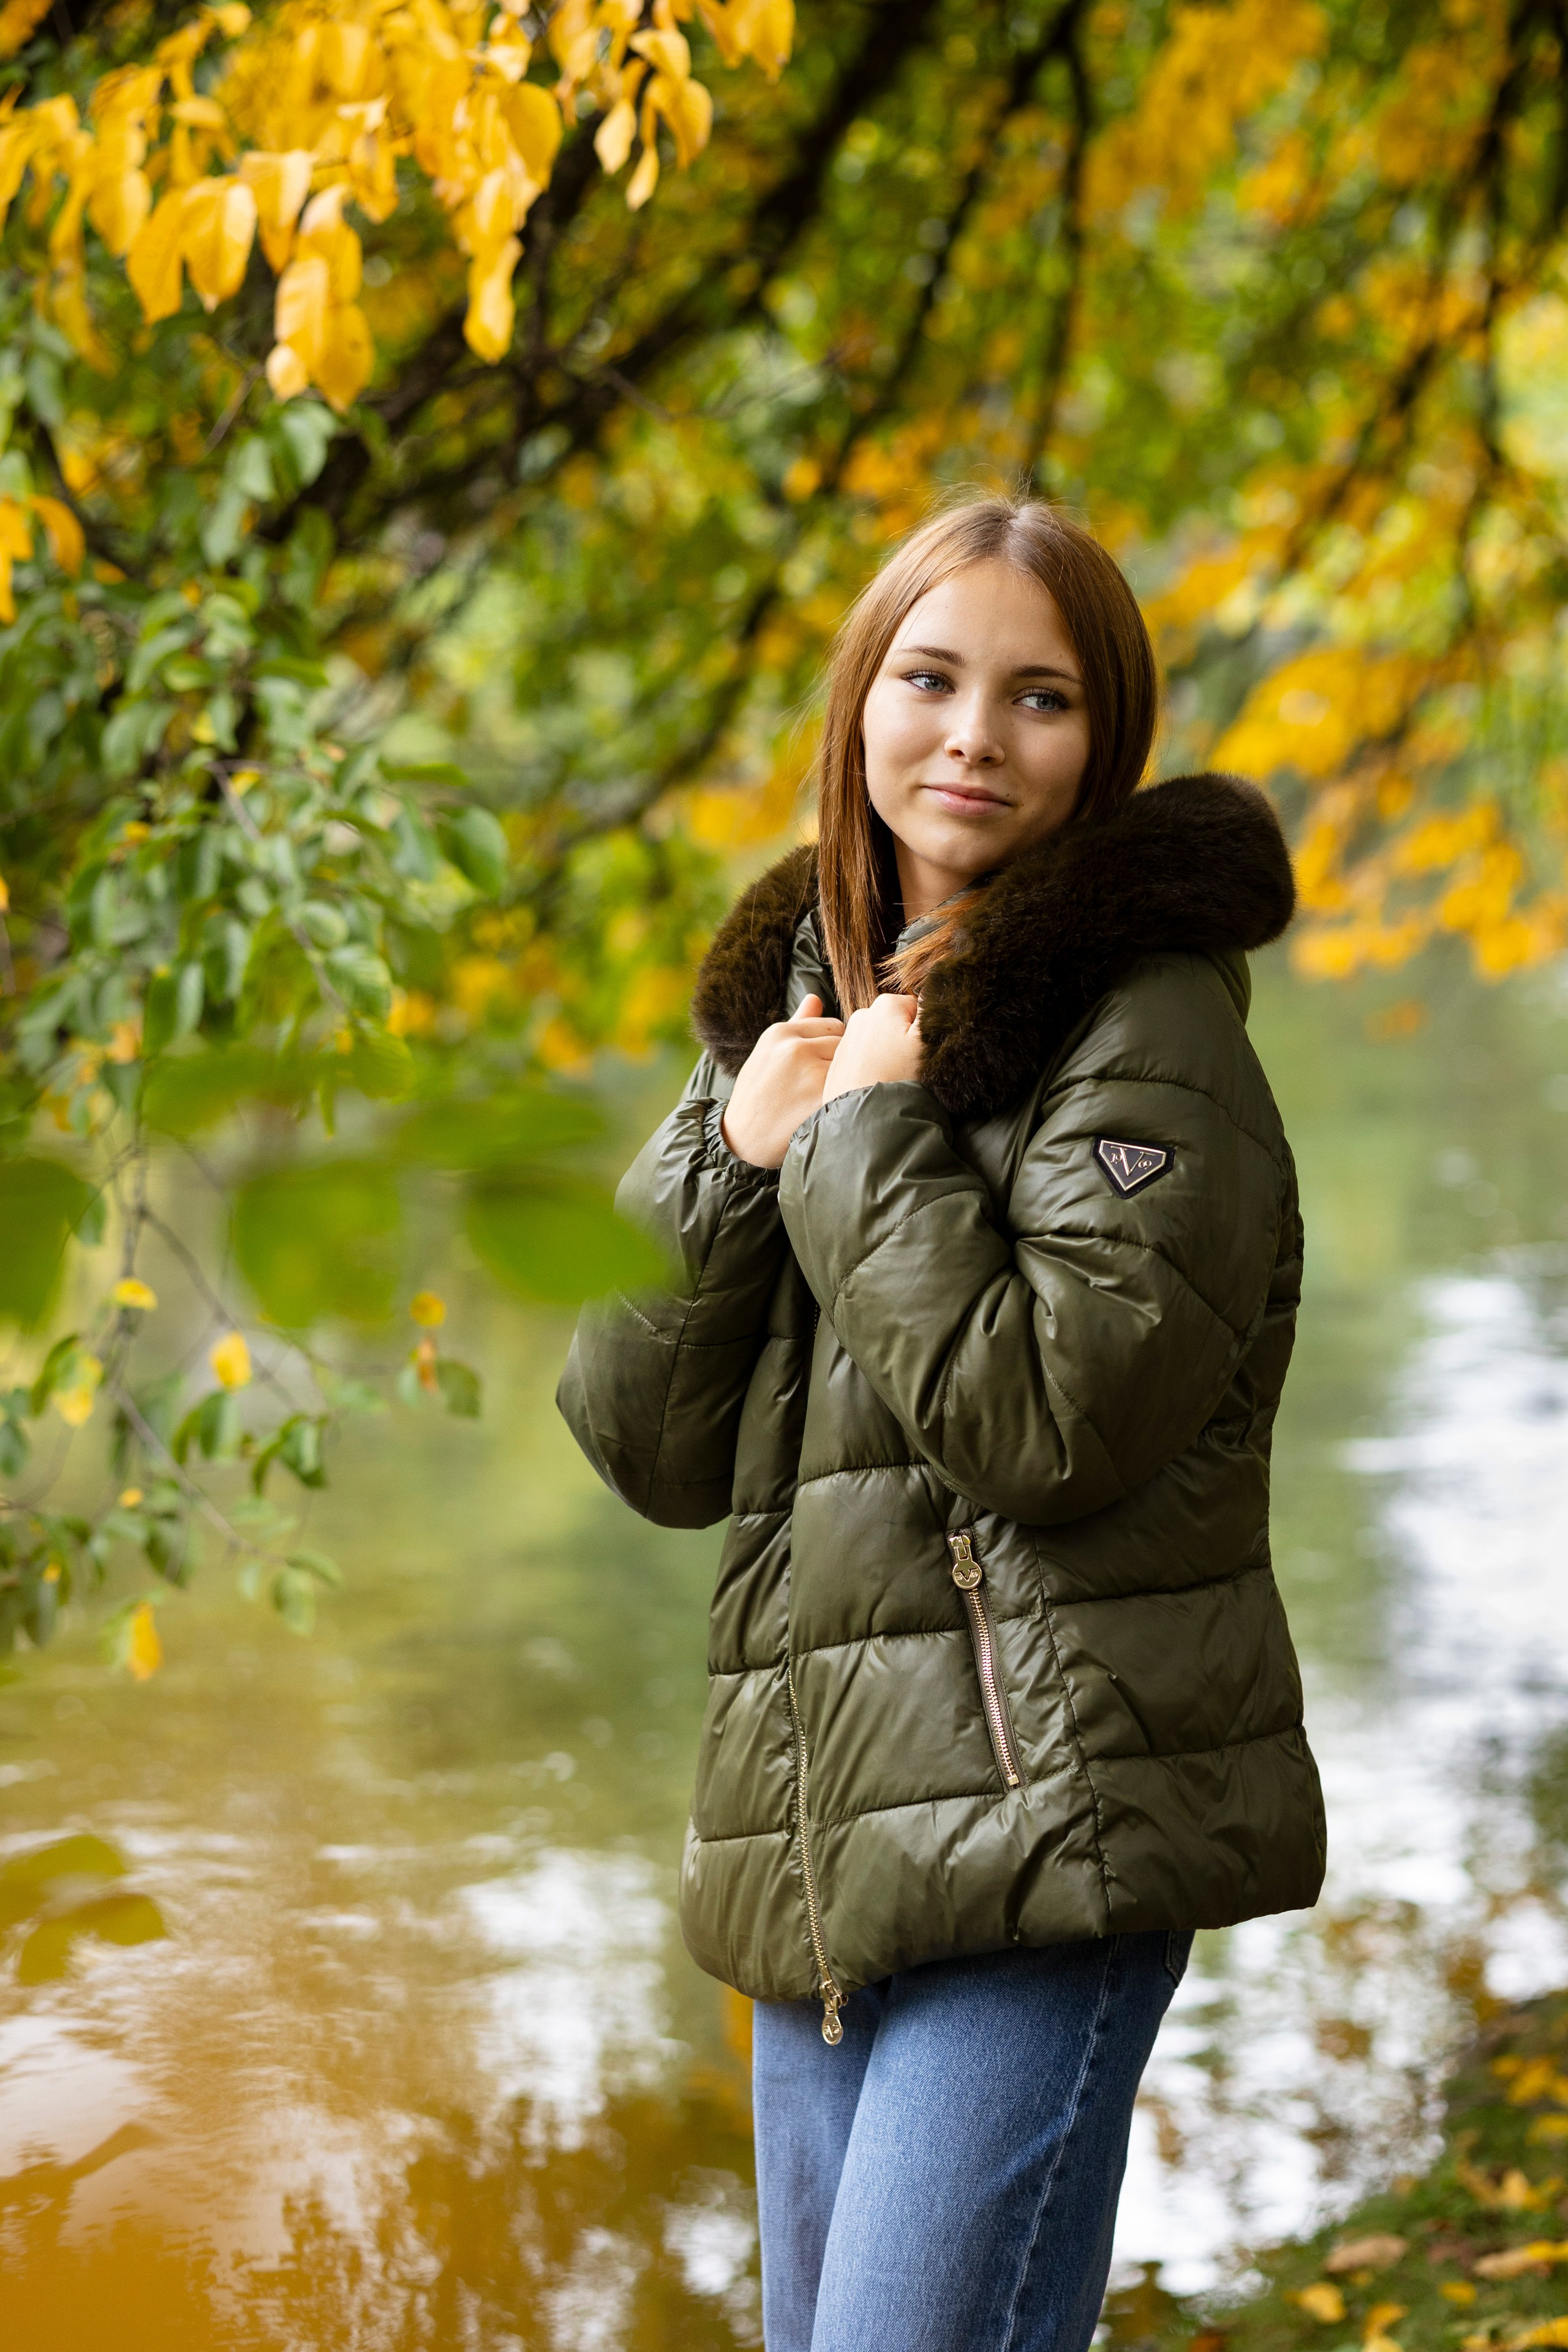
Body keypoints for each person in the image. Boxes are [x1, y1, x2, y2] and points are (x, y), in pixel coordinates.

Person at [559, 496, 1325, 2352]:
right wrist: (742, 1157)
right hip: (822, 1866)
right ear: (861, 707)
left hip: (1051, 1846)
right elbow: (645, 1443)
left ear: (1103, 743)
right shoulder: (797, 1018)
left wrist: (859, 1143)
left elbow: (1054, 1425)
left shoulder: (1148, 1034)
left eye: (1039, 696)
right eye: (931, 677)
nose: (975, 734)